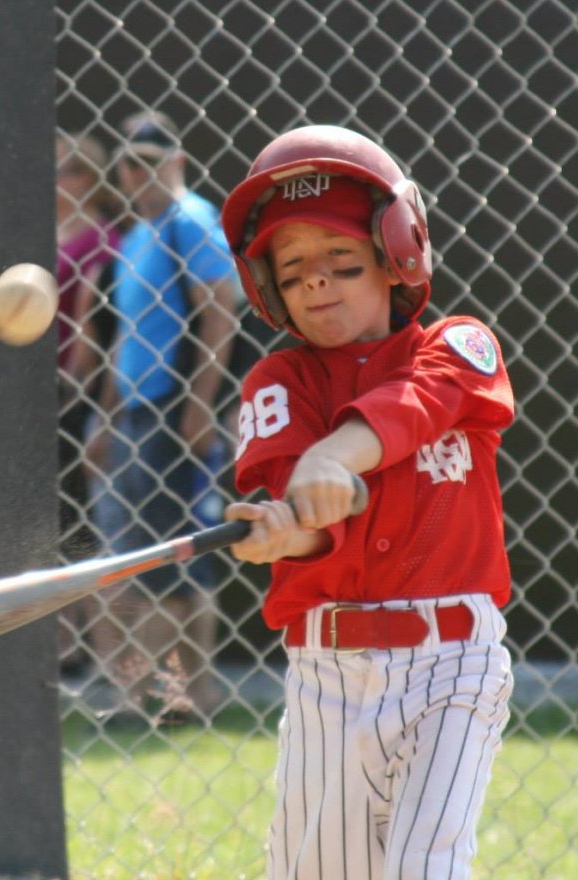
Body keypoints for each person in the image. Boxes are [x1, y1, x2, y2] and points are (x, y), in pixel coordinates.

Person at [221, 125, 515, 879]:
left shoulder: (458, 348)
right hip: (328, 670)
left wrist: (331, 456)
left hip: (453, 660)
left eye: (342, 261)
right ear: (269, 289)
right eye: (292, 272)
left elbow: (415, 407)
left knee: (426, 866)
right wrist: (284, 533)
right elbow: (313, 531)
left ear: (395, 257)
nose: (316, 282)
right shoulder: (278, 383)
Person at [87, 111, 239, 721]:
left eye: (152, 160)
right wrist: (104, 420)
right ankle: (158, 695)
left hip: (176, 415)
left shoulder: (191, 221)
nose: (138, 171)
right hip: (133, 416)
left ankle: (173, 699)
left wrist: (202, 404)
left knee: (174, 563)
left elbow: (220, 312)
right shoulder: (134, 237)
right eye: (129, 161)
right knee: (138, 558)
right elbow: (125, 338)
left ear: (177, 161)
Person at [54, 130, 125, 674]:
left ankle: (85, 646)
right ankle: (66, 638)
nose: (64, 180)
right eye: (58, 169)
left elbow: (92, 328)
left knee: (80, 517)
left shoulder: (103, 240)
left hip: (73, 393)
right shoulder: (52, 233)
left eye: (75, 169)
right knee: (54, 518)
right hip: (44, 390)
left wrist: (77, 391)